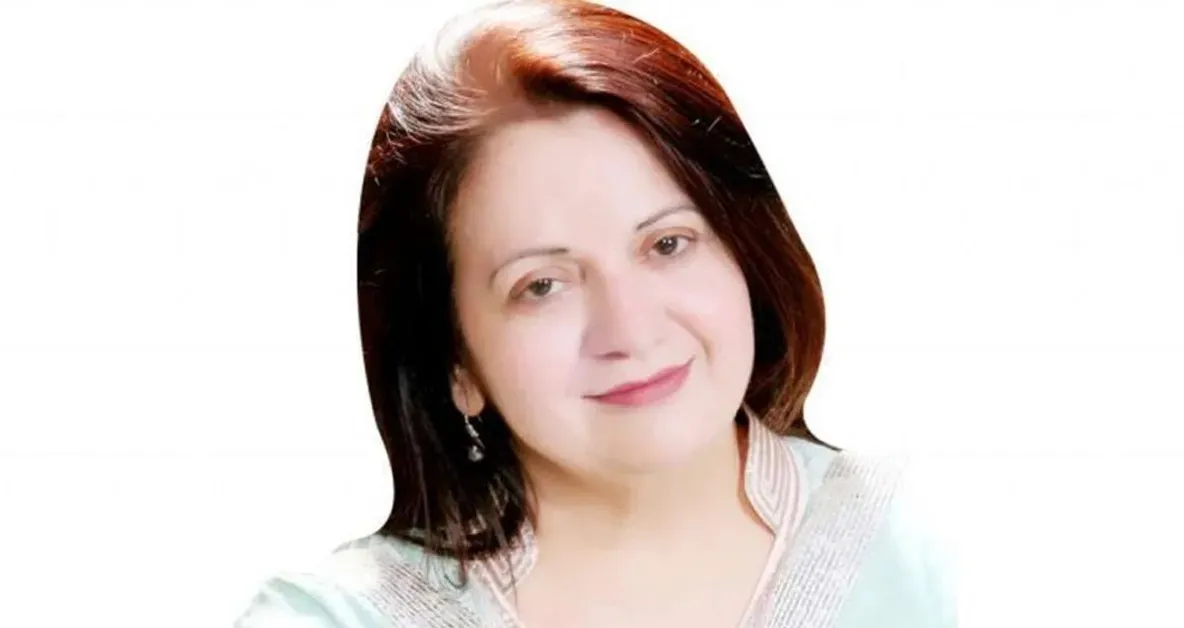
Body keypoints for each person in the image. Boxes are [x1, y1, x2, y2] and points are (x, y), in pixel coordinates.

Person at [235, 0, 955, 626]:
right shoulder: (332, 617)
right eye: (542, 285)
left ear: (747, 256)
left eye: (667, 244)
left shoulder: (943, 537)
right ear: (455, 362)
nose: (631, 330)